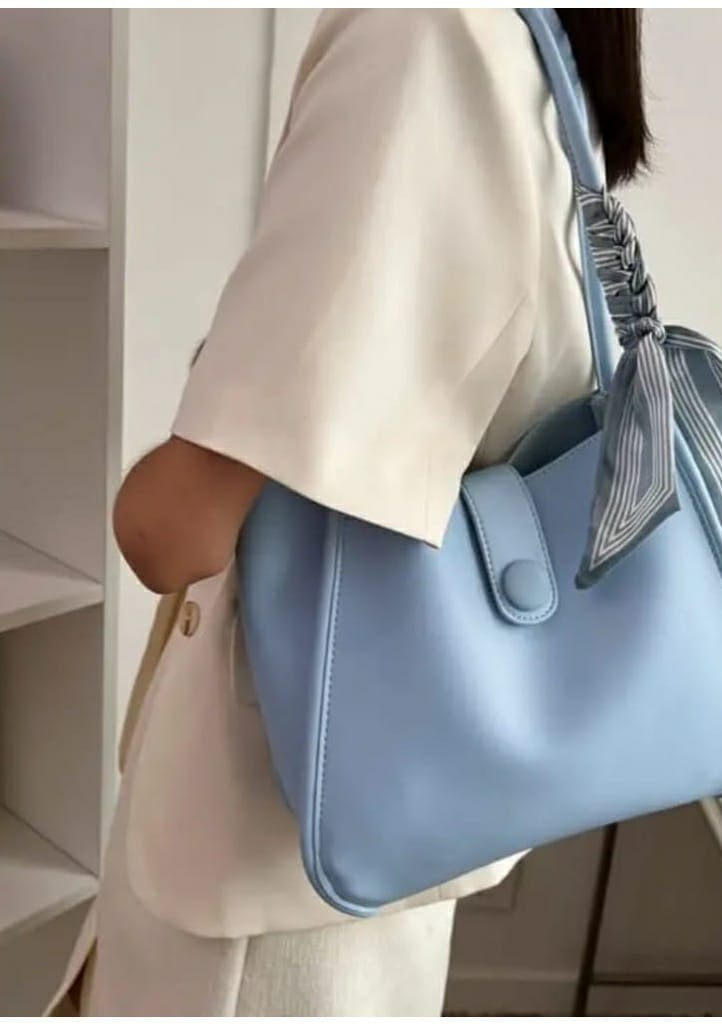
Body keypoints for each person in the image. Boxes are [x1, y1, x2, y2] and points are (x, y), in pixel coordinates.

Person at [57, 8, 651, 1016]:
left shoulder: (424, 36)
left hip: (269, 862)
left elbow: (173, 530)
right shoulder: (536, 46)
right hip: (387, 797)